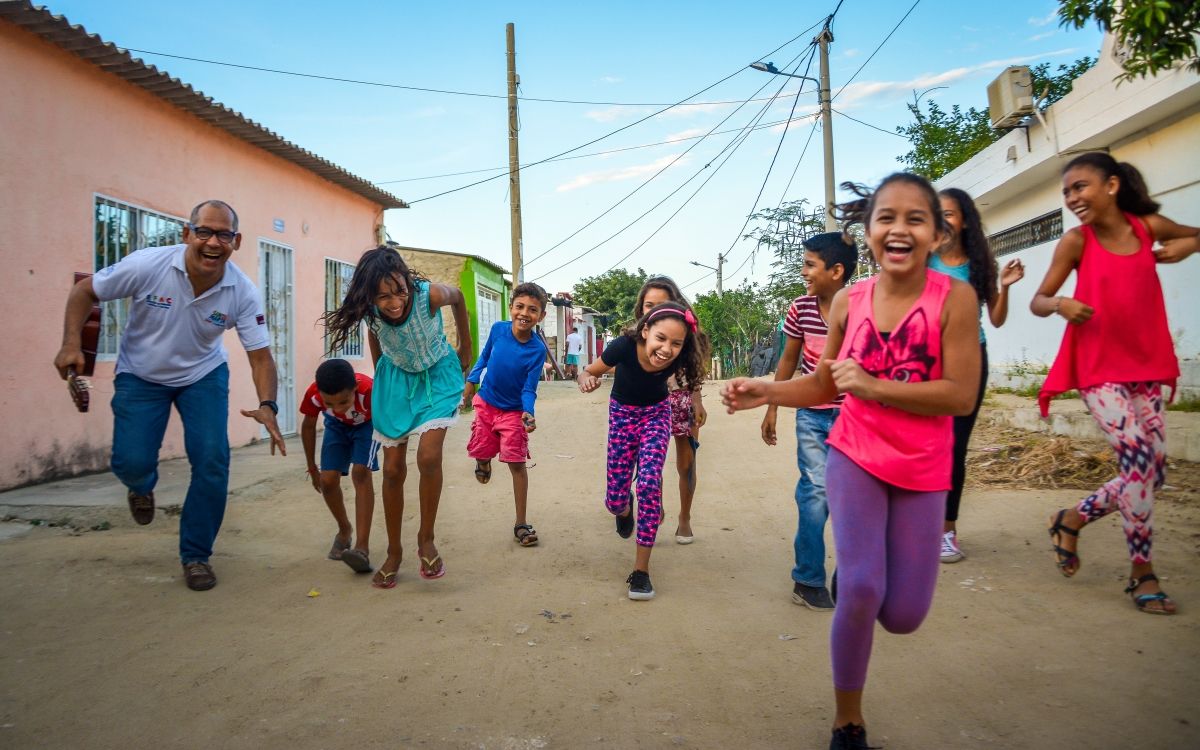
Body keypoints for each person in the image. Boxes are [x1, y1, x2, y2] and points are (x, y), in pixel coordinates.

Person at [721, 173, 981, 750]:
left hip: (922, 467)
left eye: (917, 218)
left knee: (904, 615)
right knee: (860, 588)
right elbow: (821, 386)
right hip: (855, 453)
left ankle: (880, 581)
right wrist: (765, 390)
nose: (900, 228)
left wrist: (873, 385)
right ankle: (848, 719)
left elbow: (961, 394)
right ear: (869, 231)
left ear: (937, 234)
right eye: (887, 216)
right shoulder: (849, 300)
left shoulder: (955, 299)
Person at [53, 200, 287, 592]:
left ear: (237, 241)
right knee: (131, 462)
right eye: (204, 232)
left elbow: (260, 357)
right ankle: (141, 486)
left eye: (224, 235)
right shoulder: (148, 265)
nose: (213, 242)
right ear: (187, 234)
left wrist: (268, 406)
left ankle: (196, 555)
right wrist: (70, 343)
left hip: (203, 375)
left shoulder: (242, 292)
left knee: (213, 458)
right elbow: (84, 291)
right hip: (140, 375)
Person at [1033, 152, 1199, 615]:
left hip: (1144, 365)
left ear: (1111, 185)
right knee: (1140, 462)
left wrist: (1191, 245)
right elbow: (1039, 300)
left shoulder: (1147, 226)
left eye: (1080, 187)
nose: (1072, 198)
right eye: (1067, 192)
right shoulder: (1075, 241)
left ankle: (1072, 517)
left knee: (1153, 471)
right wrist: (1061, 304)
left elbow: (1196, 235)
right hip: (1098, 368)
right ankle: (1142, 572)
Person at [323, 246, 472, 589]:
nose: (394, 302)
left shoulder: (429, 295)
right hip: (396, 384)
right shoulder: (369, 310)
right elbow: (375, 336)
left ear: (407, 281)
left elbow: (460, 297)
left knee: (429, 456)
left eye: (399, 291)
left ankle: (426, 538)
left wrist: (465, 346)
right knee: (391, 470)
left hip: (437, 376)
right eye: (383, 296)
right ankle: (393, 551)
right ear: (369, 296)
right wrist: (381, 378)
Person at [577, 302, 708, 600]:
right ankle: (623, 507)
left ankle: (641, 572)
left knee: (650, 482)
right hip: (622, 415)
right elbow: (587, 371)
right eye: (660, 339)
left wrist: (696, 402)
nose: (666, 349)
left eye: (676, 343)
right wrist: (587, 380)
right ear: (645, 330)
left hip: (656, 416)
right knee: (615, 498)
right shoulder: (623, 346)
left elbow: (694, 381)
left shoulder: (681, 358)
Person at [761, 232, 857, 610]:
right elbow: (788, 360)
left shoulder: (862, 307)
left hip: (856, 417)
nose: (803, 272)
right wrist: (773, 405)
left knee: (855, 496)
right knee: (815, 493)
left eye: (809, 264)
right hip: (813, 416)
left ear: (836, 271)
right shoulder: (800, 308)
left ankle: (850, 574)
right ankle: (808, 578)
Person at [932, 188, 1025, 563]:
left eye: (949, 214)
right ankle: (916, 525)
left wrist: (1005, 287)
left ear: (965, 220)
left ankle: (947, 532)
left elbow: (998, 318)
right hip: (925, 362)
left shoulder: (978, 265)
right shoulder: (923, 263)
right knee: (924, 443)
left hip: (970, 360)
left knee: (955, 446)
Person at [465, 283, 549, 547]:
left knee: (516, 464)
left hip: (514, 413)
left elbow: (529, 387)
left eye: (533, 310)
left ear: (541, 316)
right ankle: (483, 461)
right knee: (482, 447)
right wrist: (472, 380)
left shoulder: (537, 350)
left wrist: (528, 412)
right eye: (520, 306)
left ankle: (521, 524)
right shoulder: (498, 330)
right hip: (486, 403)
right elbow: (485, 356)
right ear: (511, 308)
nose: (525, 313)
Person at [633, 277, 709, 544]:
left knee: (686, 464)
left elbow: (694, 370)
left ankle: (684, 519)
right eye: (648, 305)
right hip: (652, 404)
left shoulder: (687, 334)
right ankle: (656, 505)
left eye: (662, 303)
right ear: (641, 309)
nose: (654, 309)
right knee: (650, 464)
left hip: (684, 403)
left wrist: (697, 400)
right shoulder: (636, 337)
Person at [299, 358, 378, 573]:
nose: (338, 408)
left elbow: (387, 417)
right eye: (330, 404)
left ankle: (362, 547)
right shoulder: (315, 394)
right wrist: (313, 469)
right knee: (328, 480)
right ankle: (344, 529)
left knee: (360, 473)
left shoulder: (369, 390)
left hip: (367, 426)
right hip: (336, 428)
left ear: (355, 388)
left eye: (343, 402)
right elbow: (308, 427)